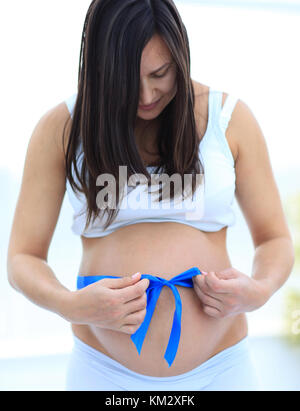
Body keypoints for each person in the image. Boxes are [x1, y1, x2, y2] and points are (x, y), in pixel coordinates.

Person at [7, 0, 294, 391]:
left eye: (160, 73)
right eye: (127, 79)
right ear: (100, 70)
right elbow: (23, 258)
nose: (146, 94)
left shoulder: (228, 120)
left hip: (221, 369)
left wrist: (257, 292)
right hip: (103, 372)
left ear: (180, 56)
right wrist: (68, 304)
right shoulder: (62, 128)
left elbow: (274, 240)